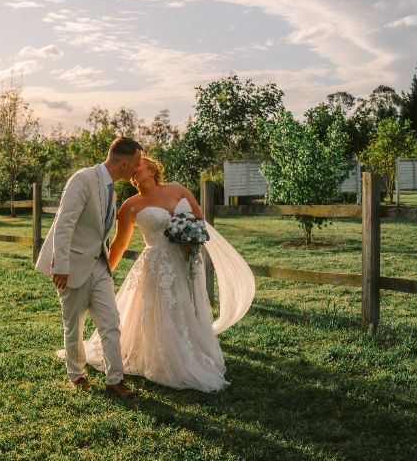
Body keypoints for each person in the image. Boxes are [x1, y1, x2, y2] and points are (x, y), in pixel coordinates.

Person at [80, 155, 255, 392]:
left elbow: (199, 221)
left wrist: (190, 239)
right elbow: (120, 244)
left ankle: (191, 351)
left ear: (152, 170)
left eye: (138, 165)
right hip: (157, 266)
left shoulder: (178, 190)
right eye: (131, 168)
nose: (133, 170)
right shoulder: (130, 205)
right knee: (162, 309)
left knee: (186, 306)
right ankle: (164, 356)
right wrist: (104, 271)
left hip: (186, 261)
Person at [35, 136, 143, 396]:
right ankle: (77, 375)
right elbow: (64, 224)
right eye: (137, 163)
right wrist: (61, 265)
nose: (139, 168)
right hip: (72, 266)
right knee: (74, 325)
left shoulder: (110, 188)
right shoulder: (82, 179)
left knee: (111, 321)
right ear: (125, 164)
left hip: (100, 266)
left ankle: (115, 379)